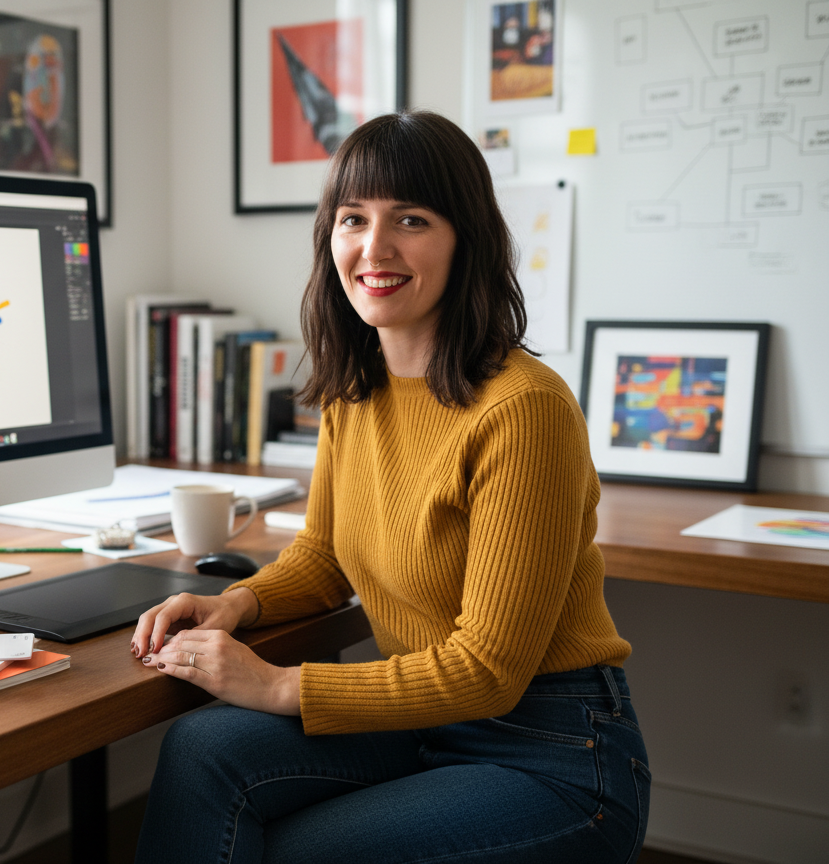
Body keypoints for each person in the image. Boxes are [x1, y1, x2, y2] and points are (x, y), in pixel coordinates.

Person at [129, 111, 650, 864]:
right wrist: (233, 604)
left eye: (410, 219)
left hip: (553, 750)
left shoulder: (524, 409)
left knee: (299, 852)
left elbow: (488, 671)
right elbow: (324, 557)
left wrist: (277, 685)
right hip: (424, 719)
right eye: (353, 219)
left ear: (463, 238)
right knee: (202, 749)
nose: (375, 248)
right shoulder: (356, 388)